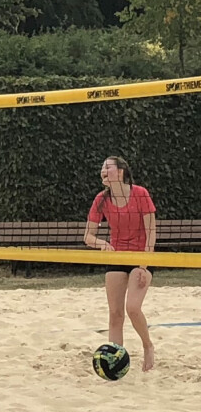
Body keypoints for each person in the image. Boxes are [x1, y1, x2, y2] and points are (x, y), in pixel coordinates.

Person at [84, 156, 156, 372]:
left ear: (121, 171)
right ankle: (115, 362)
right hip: (117, 256)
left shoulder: (140, 194)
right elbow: (88, 235)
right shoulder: (102, 199)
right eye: (102, 168)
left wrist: (144, 265)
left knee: (133, 308)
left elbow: (151, 232)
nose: (103, 171)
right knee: (115, 313)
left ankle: (147, 345)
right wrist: (101, 244)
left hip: (141, 257)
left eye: (108, 167)